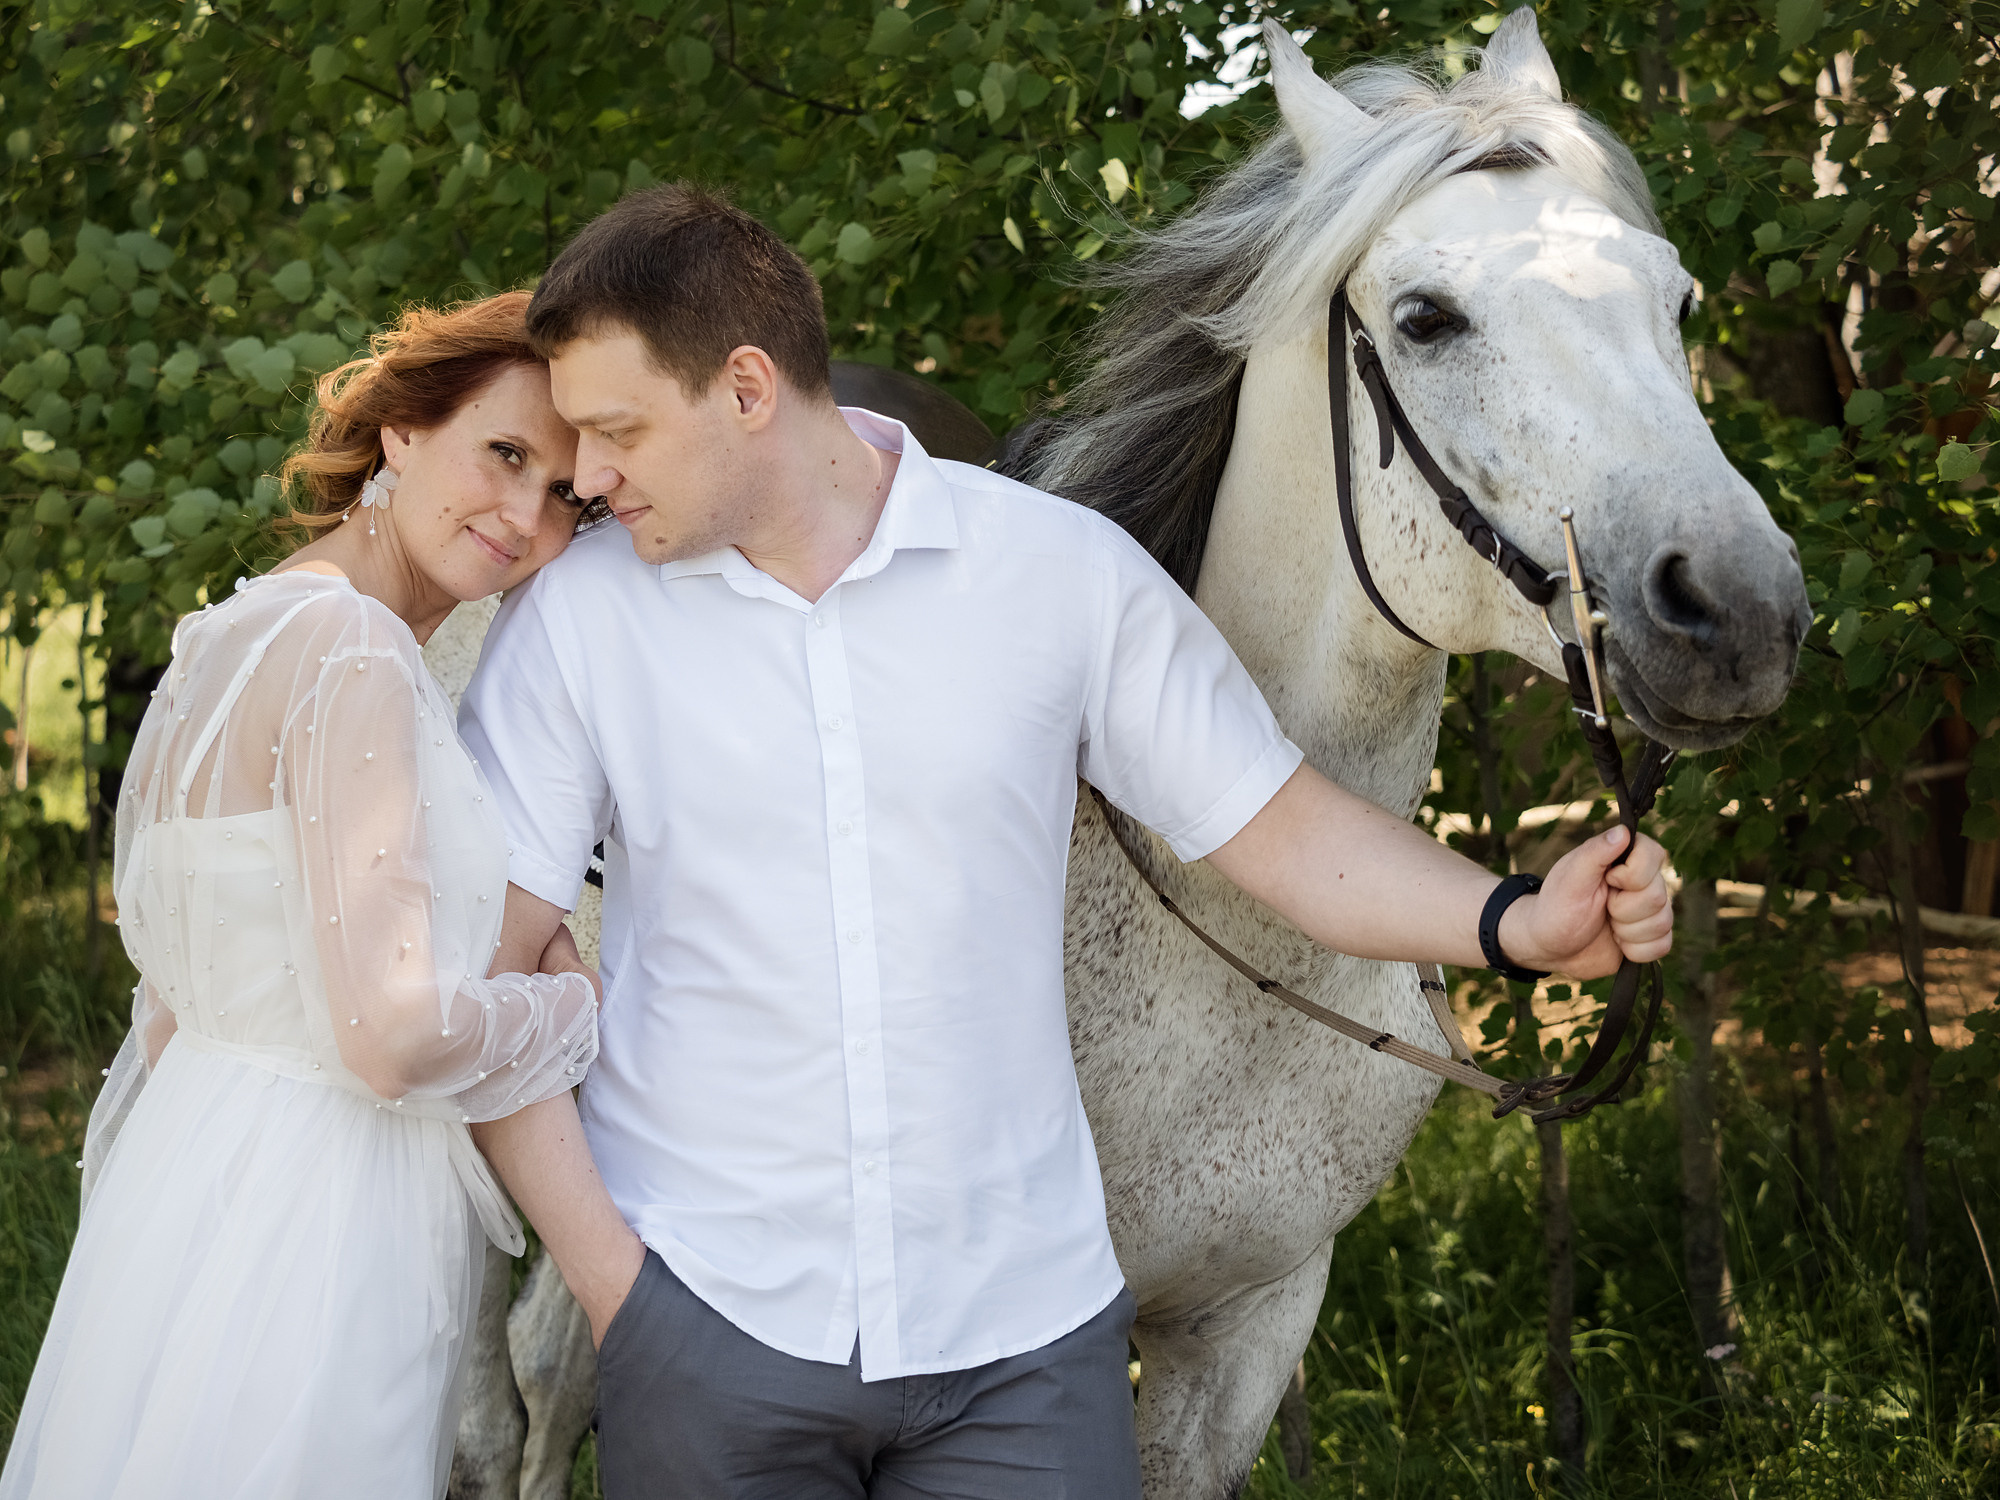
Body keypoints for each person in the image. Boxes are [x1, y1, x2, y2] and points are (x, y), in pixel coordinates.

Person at [461, 186, 1674, 1499]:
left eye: (617, 431)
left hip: (1024, 1359)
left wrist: (1517, 922)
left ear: (747, 388)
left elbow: (1282, 832)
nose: (588, 477)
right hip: (714, 1338)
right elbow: (490, 975)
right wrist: (619, 1288)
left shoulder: (1054, 571)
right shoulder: (578, 621)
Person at [0, 293, 604, 1500]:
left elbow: (172, 1002)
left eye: (564, 497)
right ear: (401, 433)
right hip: (325, 1218)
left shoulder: (229, 632)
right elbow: (391, 1039)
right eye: (502, 453)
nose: (525, 517)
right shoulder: (356, 652)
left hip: (193, 1179)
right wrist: (577, 1005)